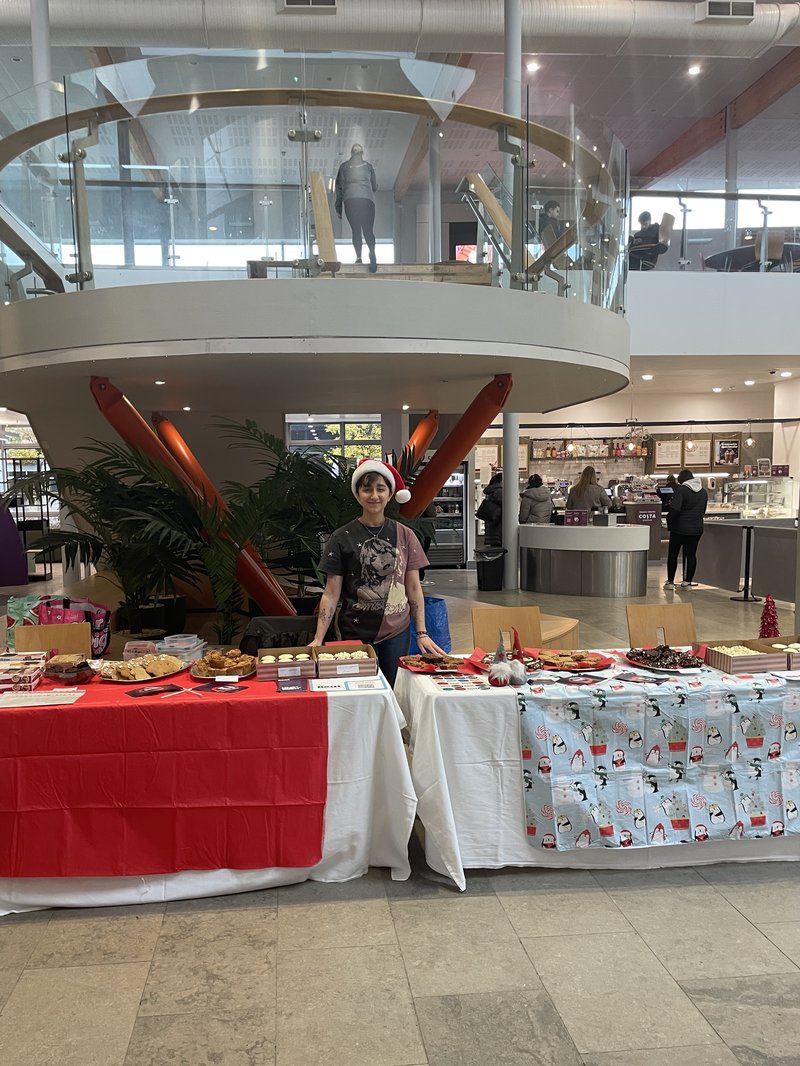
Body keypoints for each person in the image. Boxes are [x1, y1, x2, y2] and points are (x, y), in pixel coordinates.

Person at [310, 459, 444, 685]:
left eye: (380, 489)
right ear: (357, 494)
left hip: (397, 632)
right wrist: (318, 639)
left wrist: (421, 632)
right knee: (360, 691)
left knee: (392, 690)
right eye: (367, 489)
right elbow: (331, 593)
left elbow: (413, 588)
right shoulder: (342, 537)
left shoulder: (405, 535)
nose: (374, 495)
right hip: (354, 631)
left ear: (390, 494)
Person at [334, 143, 378, 272]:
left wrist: (338, 208)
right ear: (362, 153)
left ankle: (359, 257)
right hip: (367, 200)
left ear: (351, 153)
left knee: (356, 230)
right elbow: (374, 187)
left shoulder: (344, 167)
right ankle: (372, 252)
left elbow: (339, 188)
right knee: (368, 230)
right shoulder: (368, 167)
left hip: (351, 200)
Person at [664, 468, 708, 590]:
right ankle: (687, 582)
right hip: (696, 528)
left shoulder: (682, 490)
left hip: (679, 528)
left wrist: (668, 520)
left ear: (682, 480)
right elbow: (703, 511)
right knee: (691, 555)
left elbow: (675, 509)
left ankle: (670, 582)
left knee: (673, 554)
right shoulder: (703, 491)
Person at [481, 472, 504, 546]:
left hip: (491, 523)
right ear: (501, 481)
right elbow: (506, 504)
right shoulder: (499, 491)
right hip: (498, 525)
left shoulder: (490, 491)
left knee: (494, 549)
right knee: (500, 551)